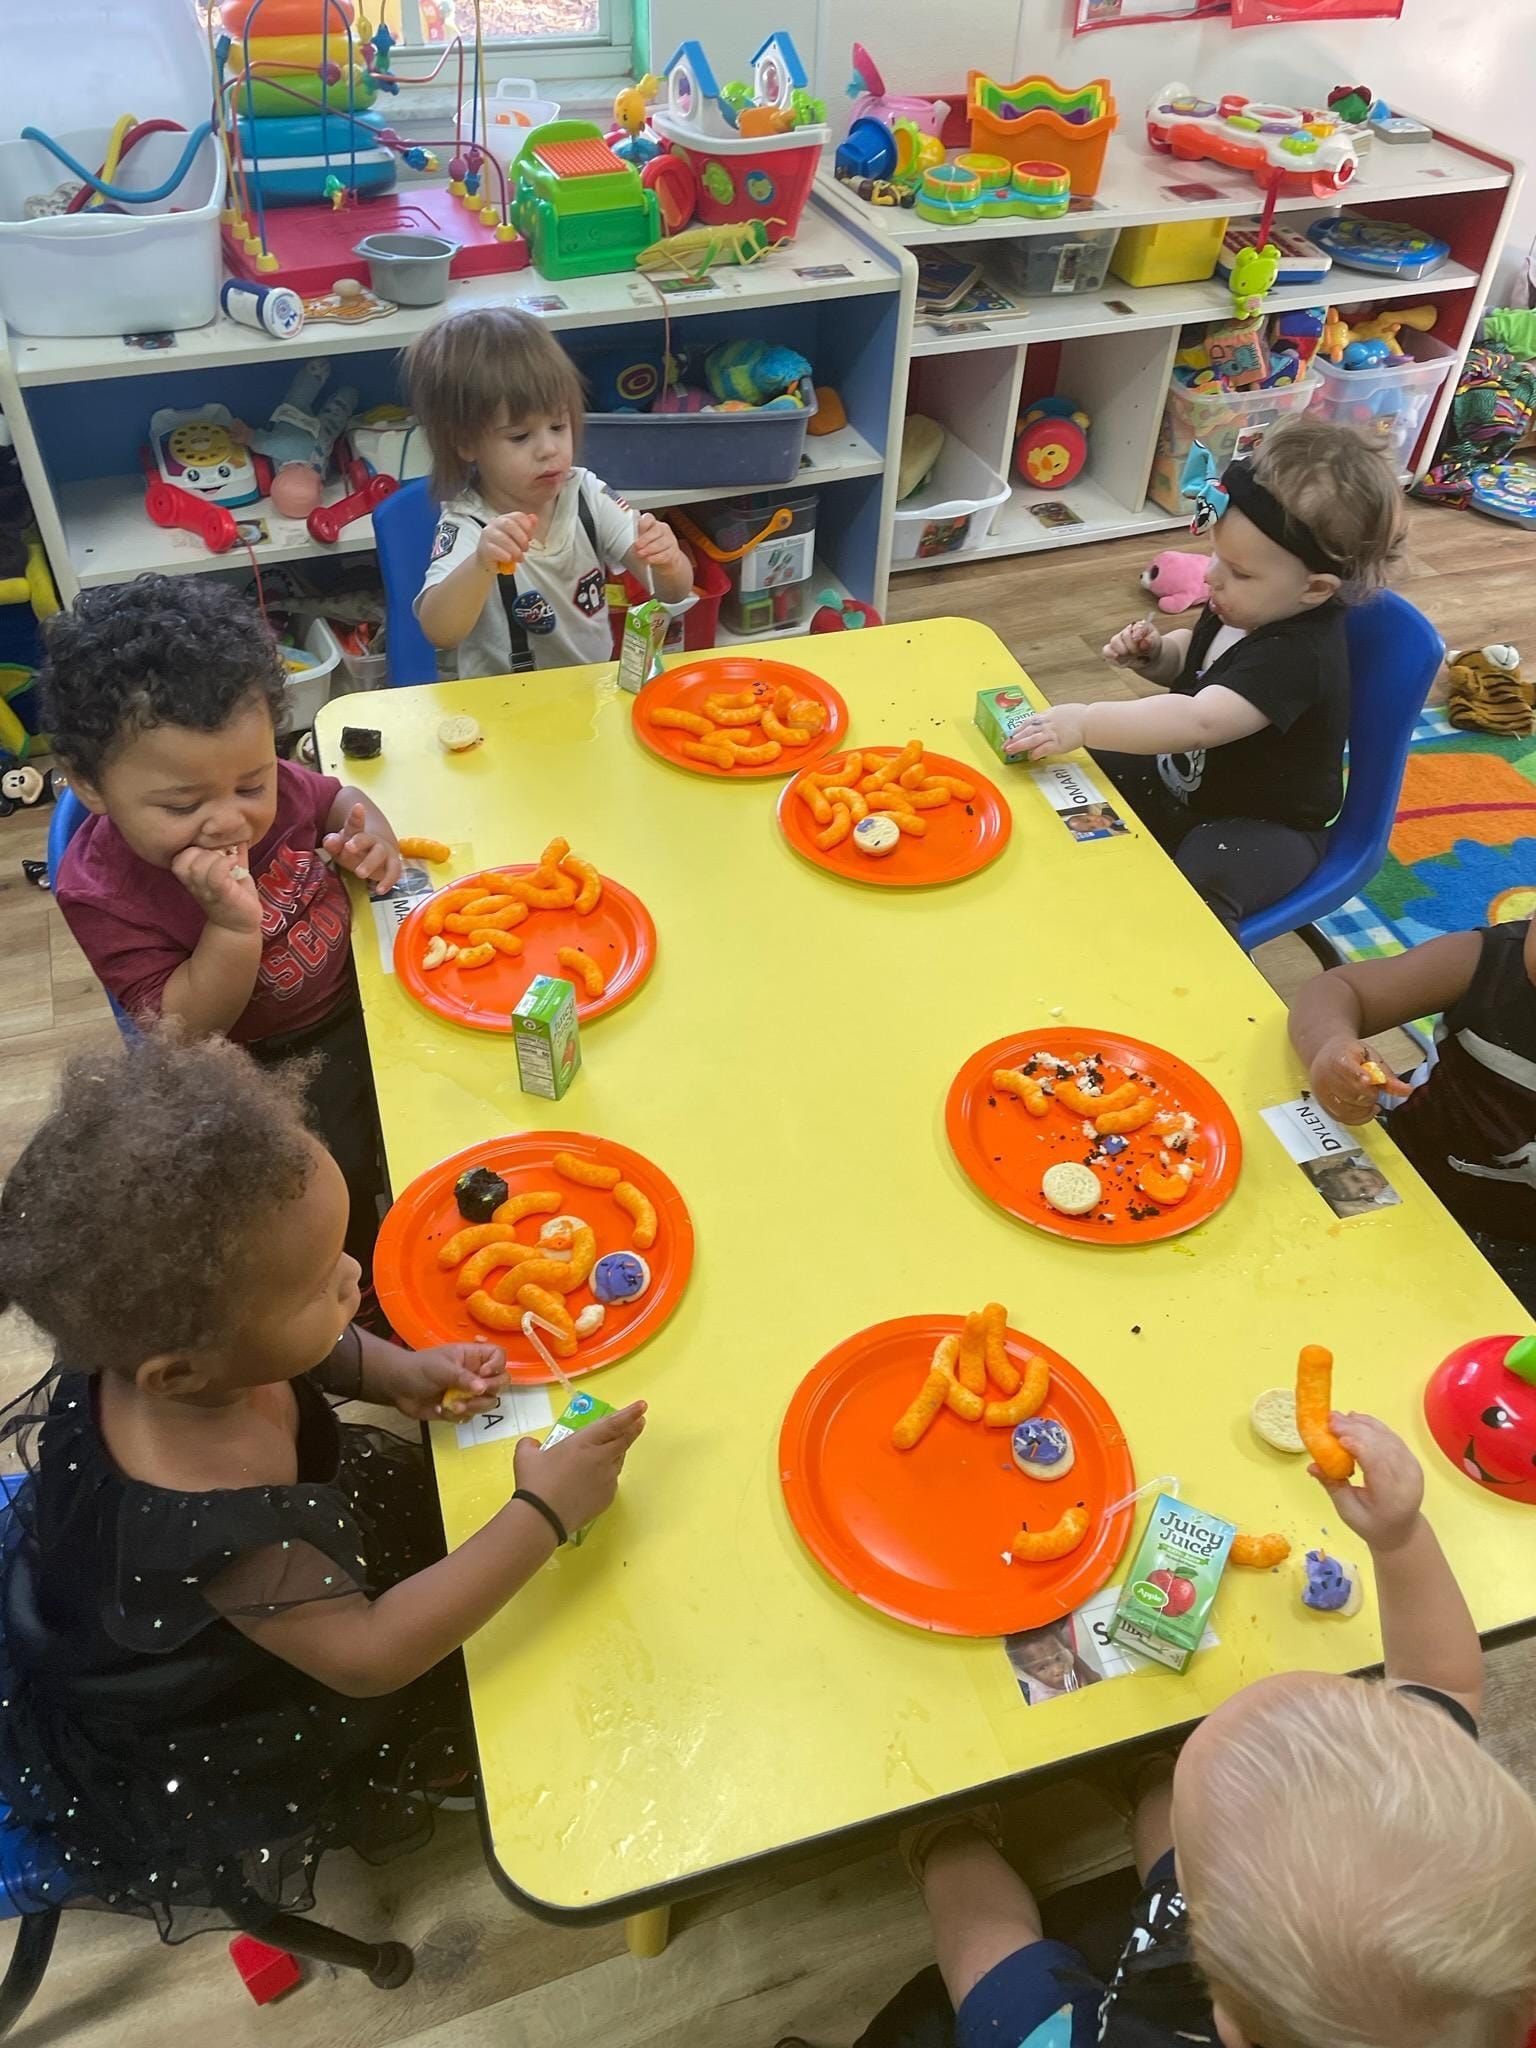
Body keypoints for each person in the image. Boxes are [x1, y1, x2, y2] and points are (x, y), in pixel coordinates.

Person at [0, 1033, 646, 1936]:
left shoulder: (199, 1350)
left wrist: (391, 1373)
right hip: (245, 1689)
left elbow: (302, 1352)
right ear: (179, 1374)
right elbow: (370, 1655)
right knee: (481, 1700)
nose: (354, 1276)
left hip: (312, 1556)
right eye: (320, 1284)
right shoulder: (209, 1522)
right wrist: (544, 1511)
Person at [884, 1414, 1536, 2048]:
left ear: (1230, 2027)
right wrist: (1399, 1538)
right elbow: (1446, 1683)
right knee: (1182, 1821)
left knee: (992, 1962)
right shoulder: (1424, 1796)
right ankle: (1150, 1777)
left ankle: (947, 1843)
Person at [44, 575, 398, 1278]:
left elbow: (338, 799)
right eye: (182, 805)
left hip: (367, 1008)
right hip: (261, 1074)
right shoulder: (102, 890)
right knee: (322, 1194)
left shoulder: (267, 782)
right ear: (90, 787)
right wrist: (232, 930)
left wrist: (371, 837)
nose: (232, 818)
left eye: (251, 785)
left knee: (416, 1134)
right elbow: (183, 1030)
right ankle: (353, 1294)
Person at [1006, 419, 1404, 937]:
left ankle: (1178, 975)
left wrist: (1085, 719)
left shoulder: (1298, 654)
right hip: (1190, 785)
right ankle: (1074, 892)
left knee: (1206, 877)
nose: (1213, 575)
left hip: (1265, 825)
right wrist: (1158, 657)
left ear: (1315, 589)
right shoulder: (1246, 603)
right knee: (1073, 775)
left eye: (1240, 570)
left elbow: (1200, 719)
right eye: (1218, 554)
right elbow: (1203, 665)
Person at [407, 306, 694, 679]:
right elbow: (440, 632)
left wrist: (669, 562)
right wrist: (480, 564)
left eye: (558, 426)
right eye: (520, 436)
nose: (548, 449)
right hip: (504, 708)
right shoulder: (469, 523)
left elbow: (672, 592)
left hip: (589, 692)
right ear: (465, 443)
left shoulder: (586, 494)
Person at [1290, 921, 1536, 1305]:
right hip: (1393, 1156)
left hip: (1518, 1251)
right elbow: (1338, 990)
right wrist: (1329, 1046)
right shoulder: (1484, 960)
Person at [1006, 1619, 1100, 1705]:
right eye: (1042, 1668)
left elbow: (1095, 1679)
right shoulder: (1044, 1699)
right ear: (1029, 1674)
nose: (1058, 1670)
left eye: (1058, 1658)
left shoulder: (1070, 1660)